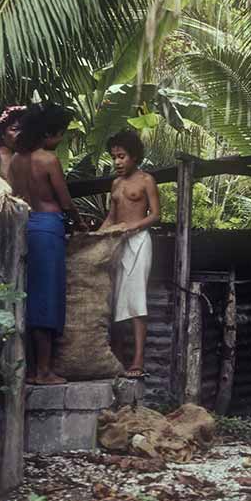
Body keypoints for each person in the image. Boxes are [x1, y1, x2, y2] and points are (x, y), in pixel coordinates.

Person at [10, 103, 86, 385]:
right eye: (60, 134)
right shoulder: (48, 160)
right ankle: (44, 371)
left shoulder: (16, 160)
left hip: (26, 226)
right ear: (48, 133)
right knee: (47, 298)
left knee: (31, 295)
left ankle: (31, 368)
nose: (61, 140)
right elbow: (65, 201)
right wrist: (78, 222)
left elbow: (14, 194)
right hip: (48, 228)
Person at [97, 131, 160, 379]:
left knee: (136, 299)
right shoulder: (116, 184)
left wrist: (132, 227)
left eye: (121, 156)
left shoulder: (146, 180)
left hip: (139, 242)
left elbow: (155, 215)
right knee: (116, 300)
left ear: (134, 156)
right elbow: (111, 218)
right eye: (114, 157)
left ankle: (138, 359)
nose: (117, 162)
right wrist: (95, 237)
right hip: (117, 244)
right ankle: (119, 357)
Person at [0, 105, 26, 181]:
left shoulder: (25, 154)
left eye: (23, 129)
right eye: (14, 129)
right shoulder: (0, 155)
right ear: (2, 133)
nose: (20, 133)